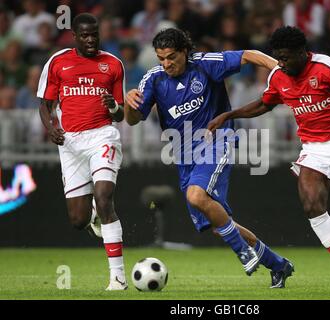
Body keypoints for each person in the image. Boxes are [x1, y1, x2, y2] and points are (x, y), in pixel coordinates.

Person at [207, 26, 330, 293]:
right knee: (312, 205)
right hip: (314, 149)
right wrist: (228, 115)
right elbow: (264, 104)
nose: (281, 63)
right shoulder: (279, 76)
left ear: (302, 52)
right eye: (277, 57)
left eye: (286, 57)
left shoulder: (325, 67)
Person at [125, 28, 294, 288]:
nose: (166, 63)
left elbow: (249, 54)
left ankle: (242, 252)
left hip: (216, 140)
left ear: (184, 51)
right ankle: (278, 265)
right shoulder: (154, 79)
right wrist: (129, 103)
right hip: (183, 155)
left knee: (196, 195)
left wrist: (277, 68)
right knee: (218, 223)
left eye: (171, 57)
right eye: (161, 58)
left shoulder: (205, 65)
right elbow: (133, 120)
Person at [37, 13, 127, 291]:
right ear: (74, 36)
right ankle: (94, 215)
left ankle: (118, 278)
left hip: (103, 136)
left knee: (103, 197)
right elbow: (45, 102)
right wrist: (50, 126)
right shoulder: (58, 62)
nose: (90, 40)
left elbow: (121, 113)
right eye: (85, 35)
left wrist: (112, 106)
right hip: (71, 144)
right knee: (78, 220)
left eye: (95, 35)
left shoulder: (112, 64)